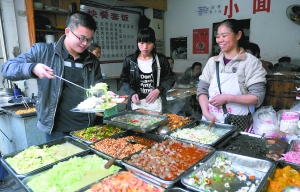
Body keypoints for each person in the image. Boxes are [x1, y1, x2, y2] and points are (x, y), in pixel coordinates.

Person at [1, 12, 102, 141]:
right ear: (67, 31)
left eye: (89, 39)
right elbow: (7, 68)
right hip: (56, 130)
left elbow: (97, 86)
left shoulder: (92, 60)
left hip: (87, 128)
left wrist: (103, 95)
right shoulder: (43, 52)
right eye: (81, 38)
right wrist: (33, 68)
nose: (85, 43)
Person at [197, 19, 267, 131]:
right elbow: (202, 89)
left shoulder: (251, 62)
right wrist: (206, 112)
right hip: (210, 118)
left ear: (238, 35)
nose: (220, 40)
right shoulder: (212, 62)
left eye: (224, 35)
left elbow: (257, 97)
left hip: (237, 120)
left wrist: (227, 98)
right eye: (218, 36)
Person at [120, 27, 174, 112]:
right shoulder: (130, 61)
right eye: (141, 43)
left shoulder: (161, 60)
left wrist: (158, 90)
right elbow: (123, 80)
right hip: (136, 104)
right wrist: (132, 93)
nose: (145, 47)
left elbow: (170, 78)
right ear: (137, 42)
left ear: (154, 43)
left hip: (157, 103)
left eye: (149, 43)